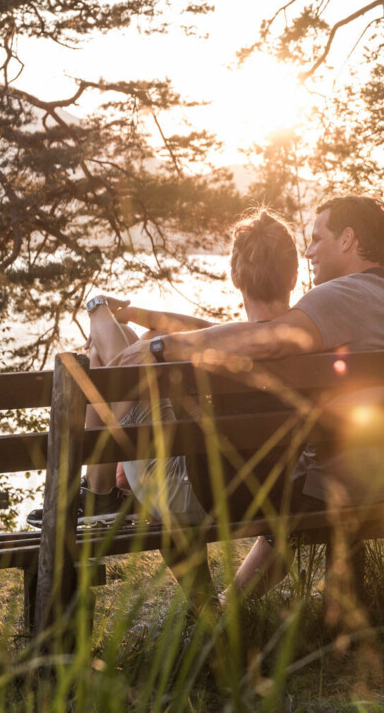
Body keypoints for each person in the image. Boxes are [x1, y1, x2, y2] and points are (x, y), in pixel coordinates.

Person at [94, 195, 384, 597]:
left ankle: (95, 495)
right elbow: (249, 331)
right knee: (286, 492)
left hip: (317, 484)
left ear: (348, 239)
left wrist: (157, 346)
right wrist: (153, 325)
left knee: (121, 363)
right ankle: (228, 608)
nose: (309, 251)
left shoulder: (340, 296)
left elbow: (265, 338)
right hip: (378, 478)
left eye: (317, 238)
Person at [56, 208, 301, 529]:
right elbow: (208, 327)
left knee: (105, 323)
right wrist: (139, 314)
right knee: (131, 337)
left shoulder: (232, 345)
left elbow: (203, 333)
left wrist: (97, 305)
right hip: (261, 500)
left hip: (188, 497)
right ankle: (99, 493)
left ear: (234, 277)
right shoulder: (297, 342)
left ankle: (98, 493)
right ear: (294, 276)